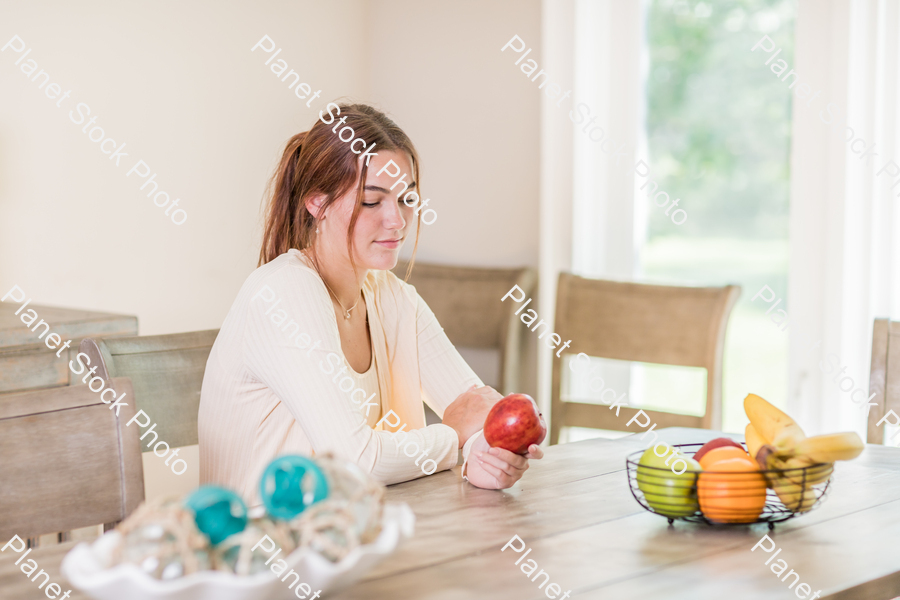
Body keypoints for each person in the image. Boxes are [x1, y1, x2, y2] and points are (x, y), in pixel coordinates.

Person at [198, 103, 542, 504]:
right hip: (262, 551)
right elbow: (356, 461)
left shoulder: (393, 299)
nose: (396, 220)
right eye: (371, 201)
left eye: (406, 199)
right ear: (317, 203)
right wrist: (456, 437)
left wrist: (486, 455)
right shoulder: (285, 292)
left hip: (355, 537)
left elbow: (478, 410)